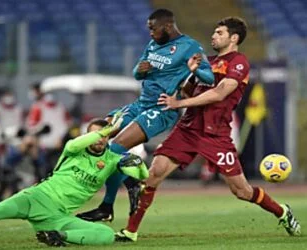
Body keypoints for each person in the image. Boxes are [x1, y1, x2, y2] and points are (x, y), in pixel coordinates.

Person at [115, 17, 301, 242]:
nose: (214, 36)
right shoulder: (206, 61)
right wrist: (191, 76)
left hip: (216, 134)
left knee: (241, 191)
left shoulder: (239, 62)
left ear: (234, 38)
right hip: (188, 129)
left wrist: (178, 104)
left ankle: (282, 212)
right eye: (214, 32)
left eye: (219, 32)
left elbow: (220, 93)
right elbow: (187, 93)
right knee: (154, 174)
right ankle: (130, 231)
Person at [76, 8, 214, 222]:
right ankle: (116, 197)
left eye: (153, 29)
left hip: (161, 109)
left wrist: (195, 69)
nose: (150, 33)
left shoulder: (190, 47)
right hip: (141, 104)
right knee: (100, 135)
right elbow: (137, 73)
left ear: (167, 26)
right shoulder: (153, 44)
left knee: (114, 148)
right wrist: (141, 70)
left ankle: (115, 197)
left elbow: (210, 78)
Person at [0, 113, 149, 247]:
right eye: (94, 135)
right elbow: (75, 143)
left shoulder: (112, 160)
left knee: (106, 235)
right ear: (87, 136)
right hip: (34, 198)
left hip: (56, 217)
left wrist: (139, 163)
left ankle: (55, 236)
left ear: (109, 138)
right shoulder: (73, 149)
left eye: (104, 135)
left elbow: (143, 176)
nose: (99, 139)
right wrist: (104, 131)